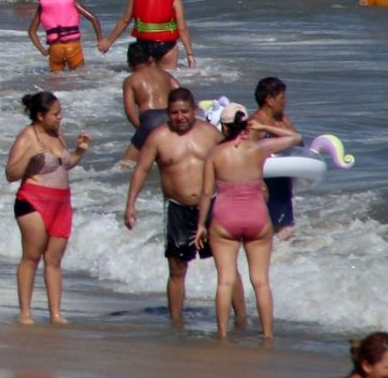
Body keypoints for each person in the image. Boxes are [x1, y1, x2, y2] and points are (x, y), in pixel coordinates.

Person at [124, 87, 245, 327]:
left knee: (226, 264)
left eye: (184, 112)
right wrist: (130, 204)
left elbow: (234, 161)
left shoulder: (210, 134)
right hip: (177, 208)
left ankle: (241, 319)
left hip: (212, 205)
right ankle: (176, 322)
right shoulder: (158, 137)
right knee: (177, 268)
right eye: (174, 112)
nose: (180, 117)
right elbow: (141, 169)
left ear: (194, 110)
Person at [197, 102, 300, 338]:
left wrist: (201, 225)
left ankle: (222, 334)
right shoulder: (260, 147)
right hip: (257, 216)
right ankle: (267, 334)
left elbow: (205, 194)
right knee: (261, 282)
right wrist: (263, 126)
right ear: (245, 123)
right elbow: (295, 137)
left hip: (225, 218)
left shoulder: (214, 154)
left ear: (223, 127)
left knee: (225, 281)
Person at [5, 92, 88, 325]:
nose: (60, 117)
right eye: (55, 114)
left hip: (62, 203)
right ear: (40, 115)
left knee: (54, 261)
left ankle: (56, 313)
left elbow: (65, 164)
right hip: (33, 201)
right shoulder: (27, 137)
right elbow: (10, 174)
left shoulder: (57, 134)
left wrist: (80, 151)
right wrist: (29, 157)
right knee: (31, 257)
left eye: (60, 112)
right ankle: (25, 313)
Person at [102, 0, 195, 69]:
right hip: (166, 46)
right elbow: (182, 27)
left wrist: (108, 42)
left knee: (143, 79)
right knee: (165, 82)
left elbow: (125, 20)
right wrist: (189, 54)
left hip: (143, 46)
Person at [252, 76, 301, 238]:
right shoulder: (254, 124)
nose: (285, 101)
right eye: (282, 98)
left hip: (282, 179)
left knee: (285, 230)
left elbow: (298, 140)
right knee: (266, 231)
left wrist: (267, 127)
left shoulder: (282, 119)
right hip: (265, 182)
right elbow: (247, 156)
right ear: (269, 100)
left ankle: (286, 261)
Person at [27, 0, 104, 71]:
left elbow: (31, 32)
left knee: (56, 82)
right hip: (73, 47)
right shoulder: (71, 0)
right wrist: (100, 39)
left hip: (55, 49)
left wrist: (43, 51)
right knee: (80, 77)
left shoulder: (43, 5)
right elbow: (93, 19)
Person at [117, 40, 178, 165]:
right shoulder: (165, 74)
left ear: (129, 63)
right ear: (150, 59)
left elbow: (129, 111)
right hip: (170, 116)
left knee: (125, 165)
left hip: (150, 120)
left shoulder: (130, 80)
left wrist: (141, 130)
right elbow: (180, 93)